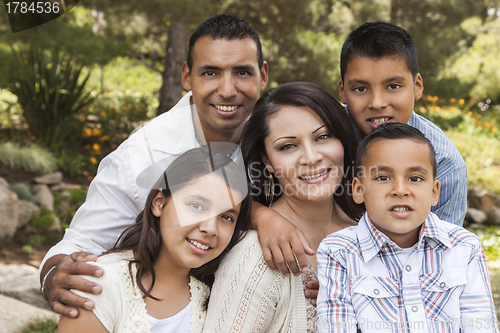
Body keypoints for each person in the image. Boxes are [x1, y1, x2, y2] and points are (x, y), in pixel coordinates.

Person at [39, 14, 320, 319]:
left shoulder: (280, 131)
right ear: (187, 76)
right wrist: (54, 274)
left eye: (242, 72)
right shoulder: (139, 159)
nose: (227, 90)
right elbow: (82, 242)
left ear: (262, 76)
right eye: (210, 73)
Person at [201, 82, 365, 333]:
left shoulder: (372, 230)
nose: (311, 157)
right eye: (288, 146)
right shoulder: (255, 257)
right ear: (267, 160)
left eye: (322, 137)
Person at [317, 123, 498, 333]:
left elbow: (481, 327)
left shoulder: (464, 247)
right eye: (383, 178)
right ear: (358, 190)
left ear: (433, 192)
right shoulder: (338, 252)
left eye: (415, 178)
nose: (400, 190)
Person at [57, 147, 252, 333]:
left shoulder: (215, 296)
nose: (210, 228)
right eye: (197, 205)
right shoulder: (101, 284)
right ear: (159, 203)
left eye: (227, 217)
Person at [338, 21, 467, 226]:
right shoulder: (323, 135)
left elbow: (444, 250)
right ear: (343, 91)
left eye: (393, 86)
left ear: (417, 86)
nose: (377, 103)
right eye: (360, 89)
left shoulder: (445, 164)